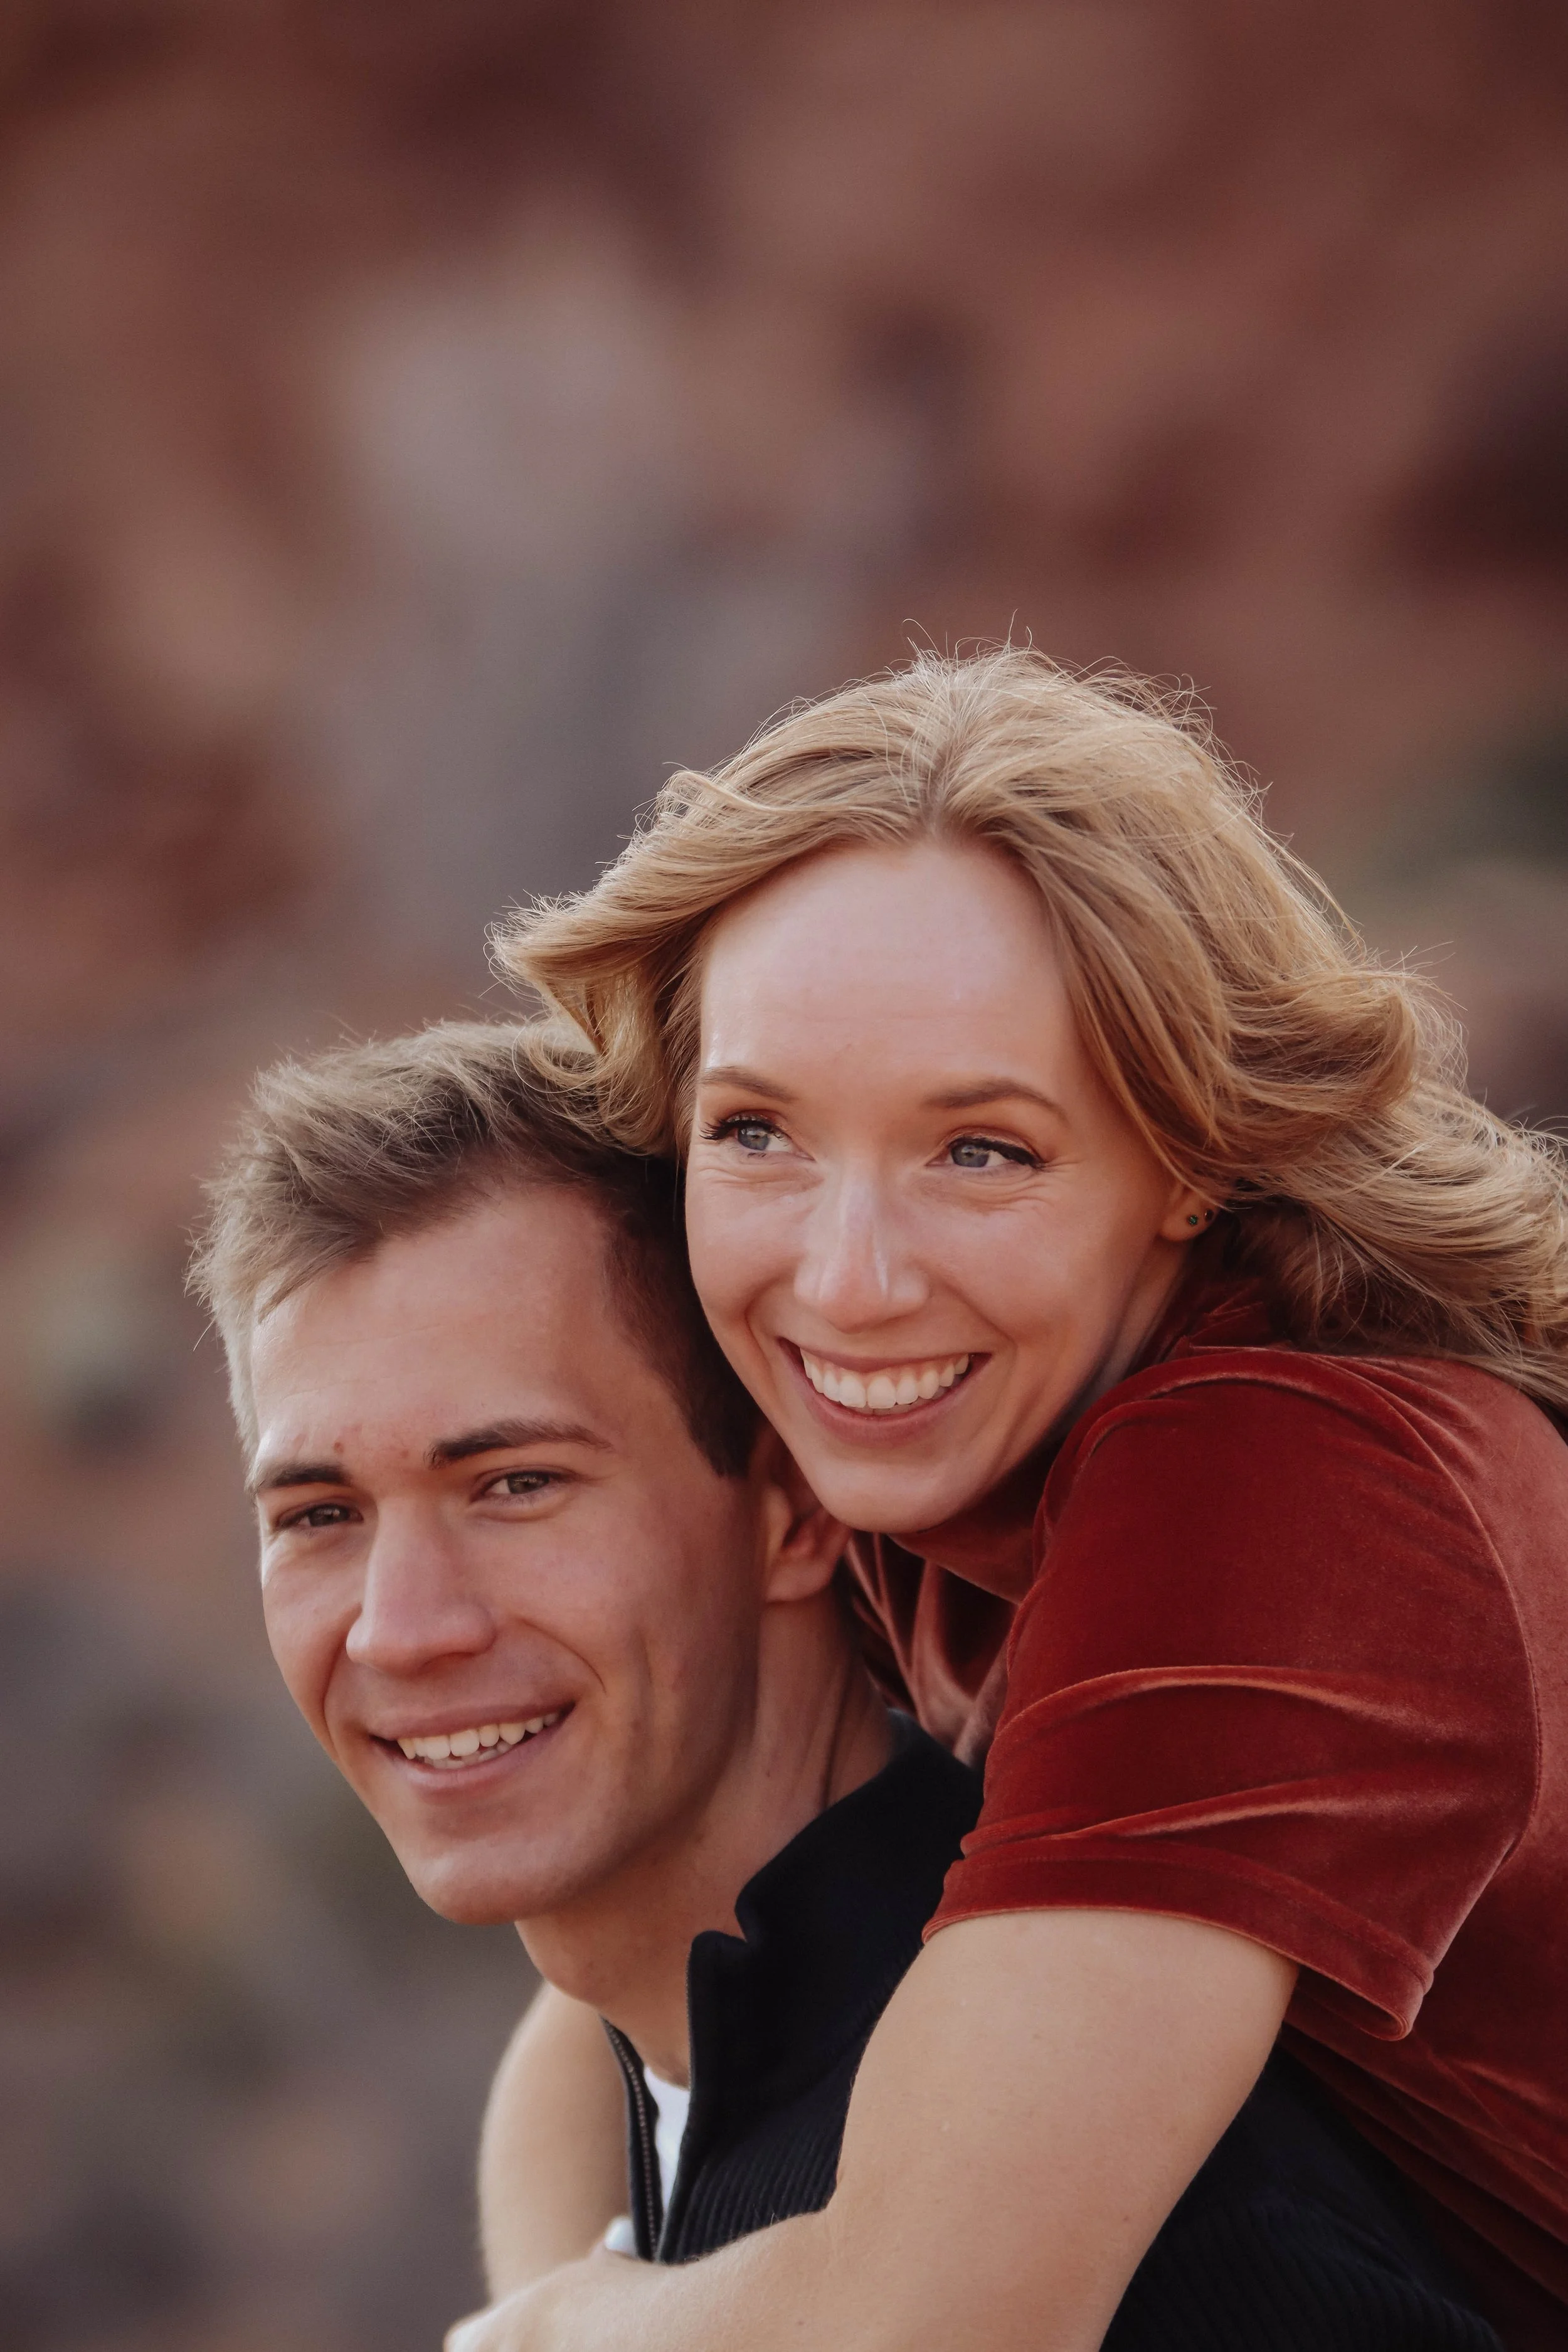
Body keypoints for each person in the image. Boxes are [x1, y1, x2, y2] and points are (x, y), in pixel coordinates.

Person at [466, 649, 1568, 2352]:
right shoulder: (935, 1435)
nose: (845, 1280)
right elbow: (617, 1979)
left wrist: (542, 2336)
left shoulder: (1297, 1474)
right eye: (758, 1131)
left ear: (1191, 1151)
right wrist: (563, 2296)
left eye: (979, 1149)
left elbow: (941, 2315)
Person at [192, 1018, 1500, 2351]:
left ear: (796, 1511)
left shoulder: (1095, 2222)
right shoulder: (680, 2063)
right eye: (316, 1516)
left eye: (516, 1486)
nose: (397, 1632)